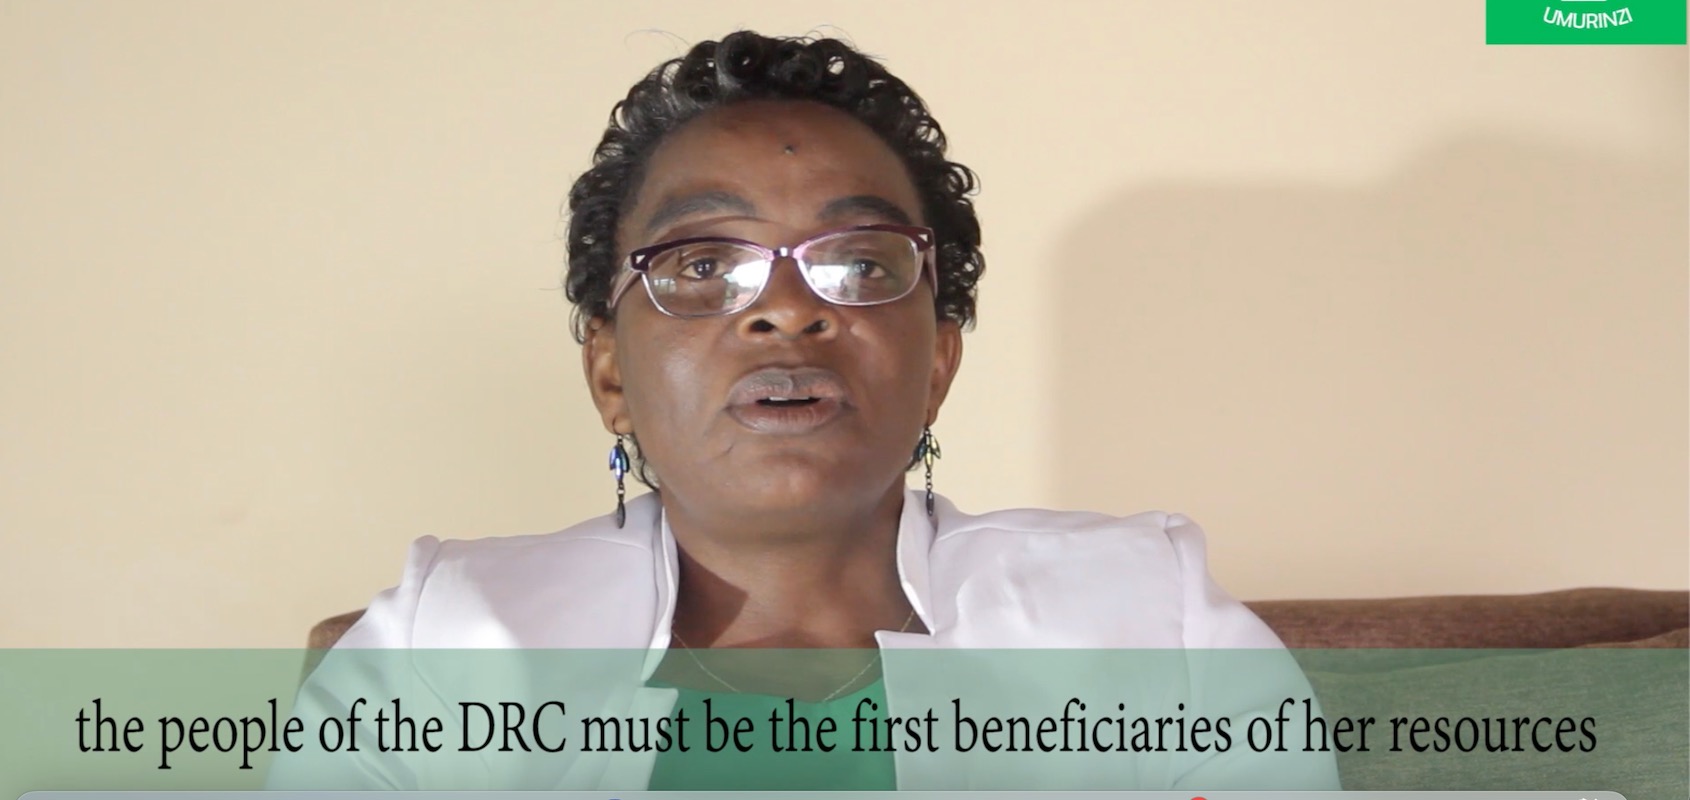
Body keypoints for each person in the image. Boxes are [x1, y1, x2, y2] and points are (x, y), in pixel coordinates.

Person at [269, 30, 1341, 791]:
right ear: (610, 375)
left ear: (936, 362)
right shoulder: (442, 642)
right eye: (702, 265)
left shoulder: (1155, 622)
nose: (786, 309)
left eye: (860, 262)